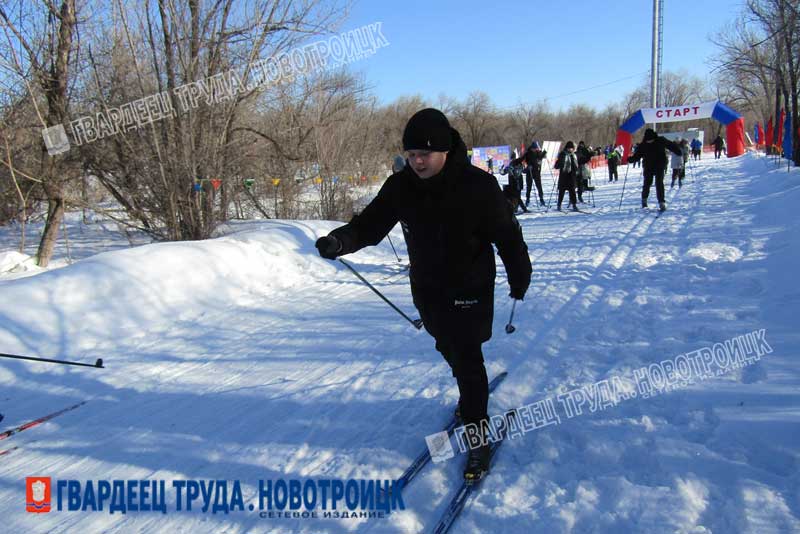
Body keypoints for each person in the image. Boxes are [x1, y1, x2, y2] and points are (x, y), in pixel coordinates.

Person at [314, 108, 532, 482]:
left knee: (466, 358)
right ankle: (471, 398)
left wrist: (519, 273)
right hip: (429, 289)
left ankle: (477, 434)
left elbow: (508, 236)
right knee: (446, 346)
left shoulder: (478, 186)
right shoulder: (401, 187)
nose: (417, 162)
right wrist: (339, 241)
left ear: (445, 150)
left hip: (470, 288)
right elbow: (370, 225)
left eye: (424, 154)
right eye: (411, 154)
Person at [627, 128, 681, 211]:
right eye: (648, 141)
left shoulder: (661, 140)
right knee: (647, 183)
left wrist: (678, 151)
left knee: (659, 182)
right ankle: (644, 200)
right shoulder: (643, 145)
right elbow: (637, 156)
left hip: (660, 165)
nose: (649, 142)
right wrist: (630, 159)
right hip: (648, 166)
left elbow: (671, 146)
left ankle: (661, 202)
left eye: (651, 140)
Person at [554, 141, 580, 211]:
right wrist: (560, 163)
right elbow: (557, 165)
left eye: (572, 148)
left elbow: (576, 165)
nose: (571, 150)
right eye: (569, 148)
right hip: (564, 175)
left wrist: (576, 170)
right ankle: (559, 205)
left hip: (571, 176)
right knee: (561, 191)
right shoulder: (563, 154)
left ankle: (574, 205)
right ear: (567, 148)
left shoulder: (573, 155)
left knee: (572, 191)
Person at [521, 142, 547, 207]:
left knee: (539, 186)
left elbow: (540, 157)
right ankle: (527, 200)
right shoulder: (528, 153)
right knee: (529, 187)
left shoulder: (538, 153)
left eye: (536, 148)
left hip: (537, 172)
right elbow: (523, 161)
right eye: (534, 148)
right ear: (532, 148)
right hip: (529, 172)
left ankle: (541, 199)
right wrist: (527, 166)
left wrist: (544, 153)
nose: (535, 149)